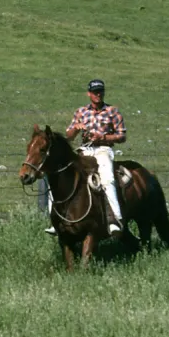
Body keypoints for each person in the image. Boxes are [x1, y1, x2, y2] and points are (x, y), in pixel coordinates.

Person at [60, 78, 127, 235]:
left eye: (100, 91)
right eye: (95, 92)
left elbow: (122, 136)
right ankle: (59, 219)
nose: (98, 94)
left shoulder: (112, 112)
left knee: (107, 178)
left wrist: (102, 138)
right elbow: (68, 136)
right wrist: (76, 128)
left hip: (103, 149)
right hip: (85, 149)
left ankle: (115, 219)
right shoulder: (81, 112)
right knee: (64, 174)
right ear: (89, 94)